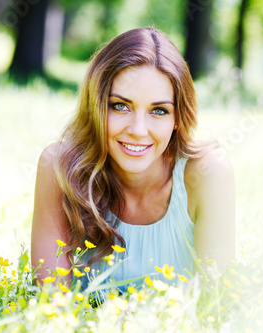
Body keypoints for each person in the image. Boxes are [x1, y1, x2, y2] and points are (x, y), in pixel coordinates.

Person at [31, 27, 235, 289]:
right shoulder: (59, 169)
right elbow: (51, 306)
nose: (138, 130)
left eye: (159, 111)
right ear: (96, 106)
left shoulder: (208, 175)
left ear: (177, 119)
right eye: (120, 106)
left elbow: (213, 311)